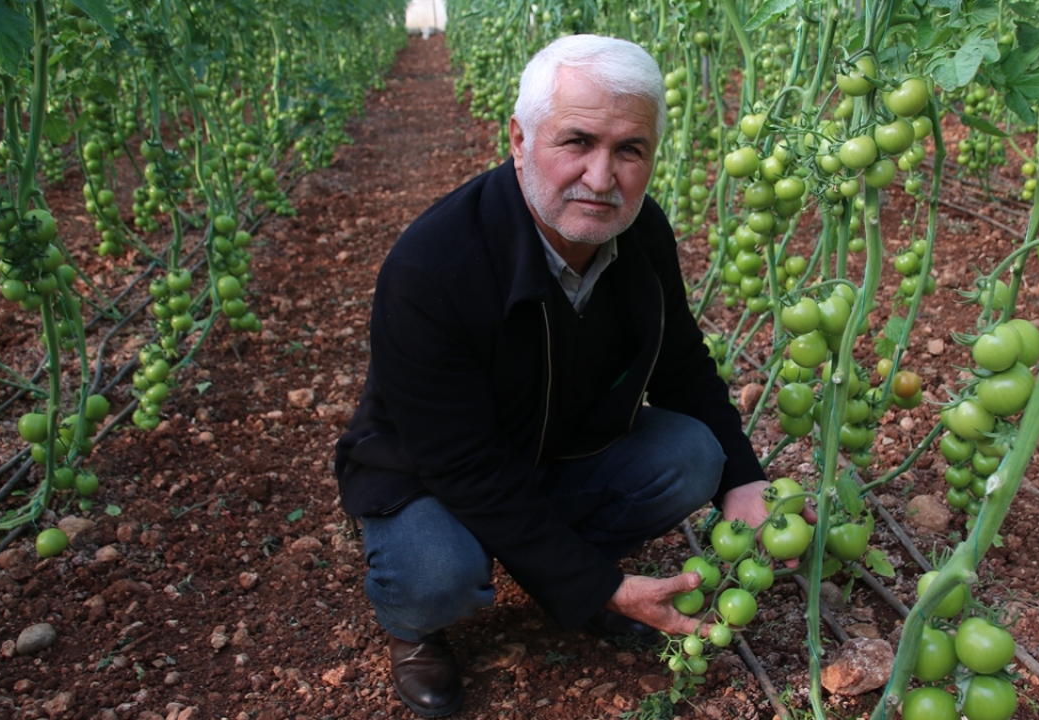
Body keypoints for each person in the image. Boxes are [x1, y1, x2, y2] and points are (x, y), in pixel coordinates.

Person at [334, 34, 811, 718]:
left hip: (556, 452)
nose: (601, 176)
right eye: (577, 142)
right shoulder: (433, 268)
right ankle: (415, 630)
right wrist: (602, 588)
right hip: (430, 478)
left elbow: (680, 365)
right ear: (520, 141)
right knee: (437, 574)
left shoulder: (641, 234)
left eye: (629, 150)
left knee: (694, 455)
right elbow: (463, 466)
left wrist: (744, 479)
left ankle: (564, 568)